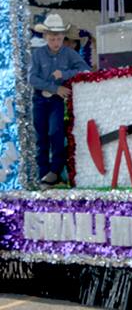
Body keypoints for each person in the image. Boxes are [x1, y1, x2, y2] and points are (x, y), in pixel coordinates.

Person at [29, 14, 90, 187]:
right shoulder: (38, 55)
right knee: (41, 138)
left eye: (58, 38)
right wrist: (55, 87)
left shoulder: (69, 54)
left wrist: (65, 74)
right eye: (52, 38)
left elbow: (84, 70)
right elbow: (32, 79)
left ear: (63, 37)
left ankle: (55, 171)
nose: (56, 42)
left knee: (56, 133)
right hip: (40, 100)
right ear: (45, 36)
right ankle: (44, 175)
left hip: (56, 101)